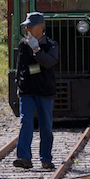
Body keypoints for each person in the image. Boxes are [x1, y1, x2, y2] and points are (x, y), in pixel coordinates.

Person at [14, 12, 59, 170]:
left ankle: (46, 158)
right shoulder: (23, 44)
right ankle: (23, 157)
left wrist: (37, 50)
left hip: (45, 91)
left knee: (45, 125)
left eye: (30, 26)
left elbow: (49, 62)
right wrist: (18, 83)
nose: (28, 29)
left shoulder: (51, 45)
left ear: (41, 27)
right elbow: (19, 66)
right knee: (25, 122)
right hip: (27, 90)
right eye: (26, 26)